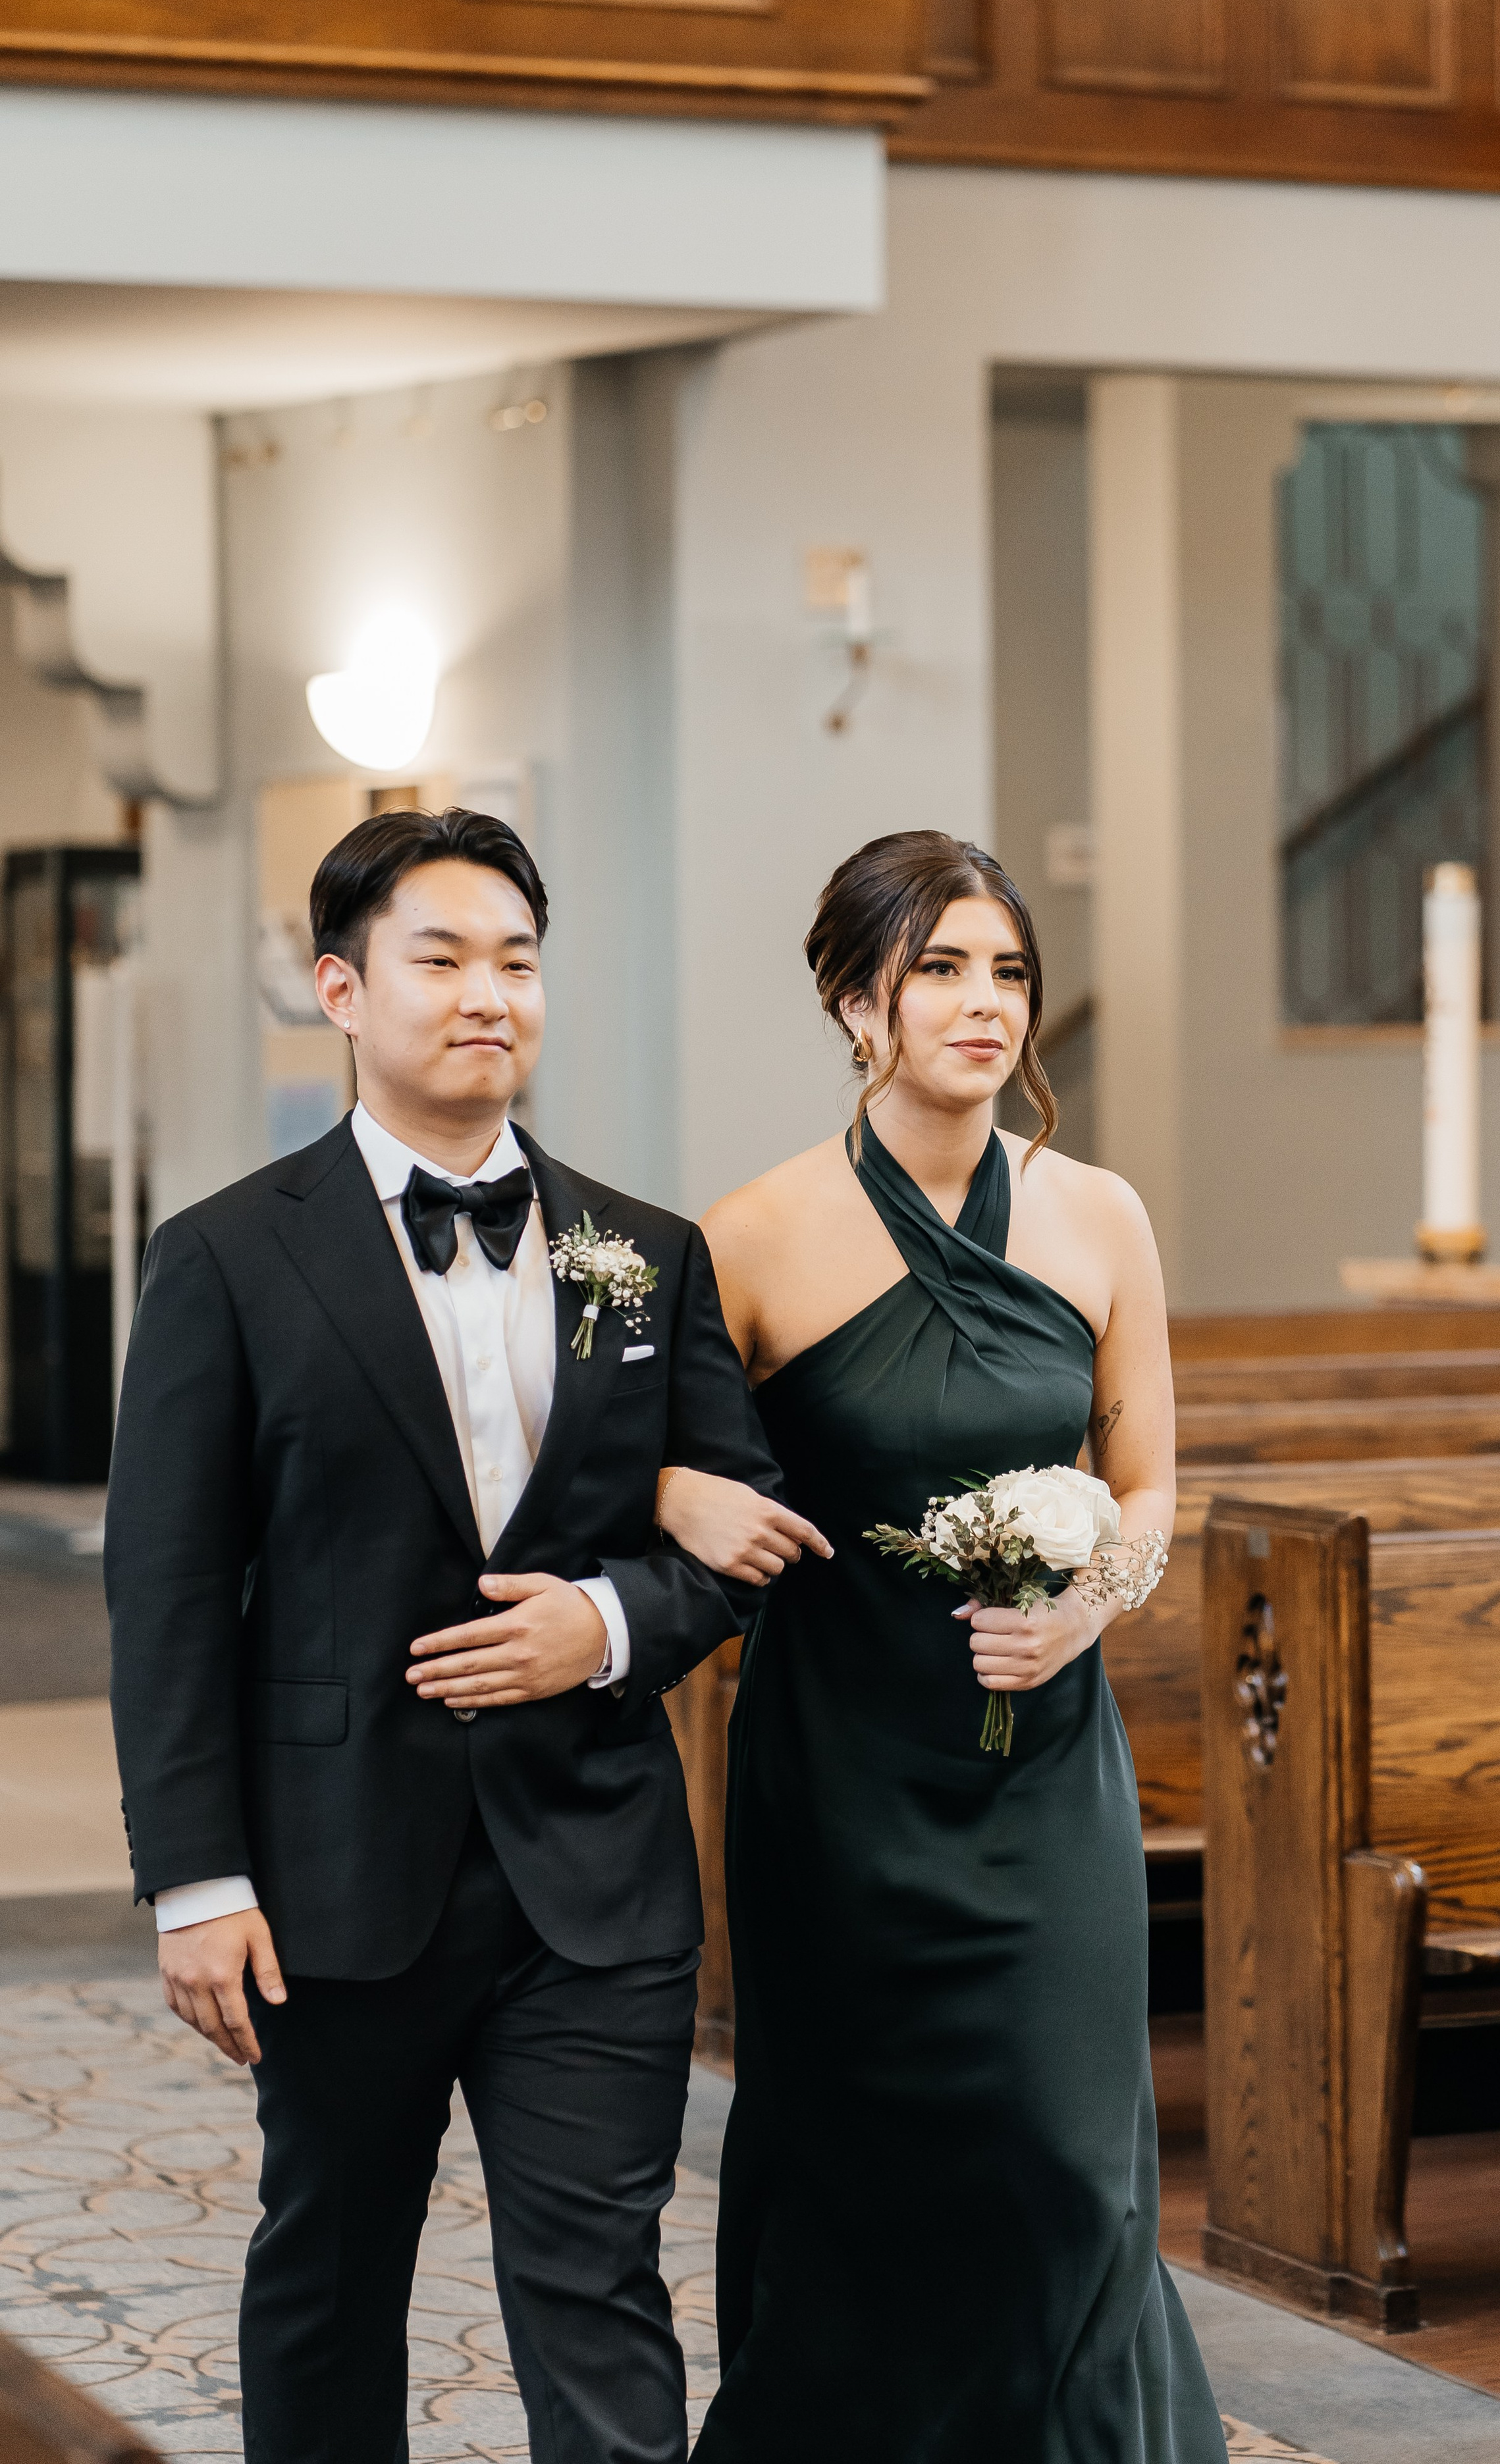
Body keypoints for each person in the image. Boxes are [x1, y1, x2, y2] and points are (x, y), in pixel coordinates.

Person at [104, 806, 820, 2464]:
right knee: (332, 2270)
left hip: (594, 1872)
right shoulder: (222, 1258)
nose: (487, 992)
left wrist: (606, 1618)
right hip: (334, 1873)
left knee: (598, 2281)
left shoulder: (641, 1256)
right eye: (441, 957)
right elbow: (168, 1589)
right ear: (342, 990)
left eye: (516, 959)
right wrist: (197, 1879)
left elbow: (736, 1531)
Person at [658, 830, 1229, 2461]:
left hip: (1045, 1775)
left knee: (1067, 2155)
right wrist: (688, 1488)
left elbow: (1147, 1484)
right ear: (855, 1001)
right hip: (840, 1775)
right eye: (939, 970)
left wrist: (1089, 1601)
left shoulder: (1099, 1216)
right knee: (859, 2159)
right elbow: (637, 1457)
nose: (985, 1005)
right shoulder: (753, 1233)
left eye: (1007, 971)